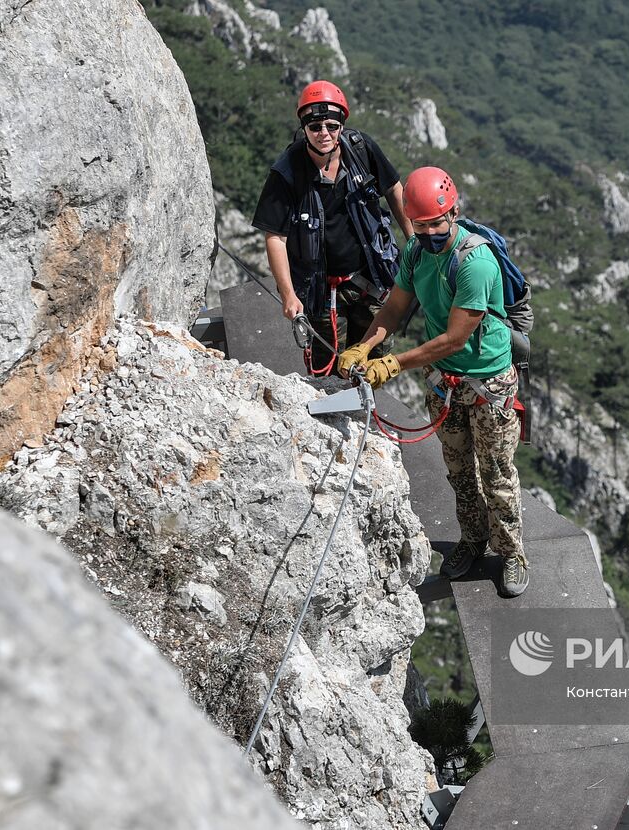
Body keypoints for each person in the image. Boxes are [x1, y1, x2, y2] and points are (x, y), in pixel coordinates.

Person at [336, 167, 528, 598]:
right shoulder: (417, 252)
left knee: (495, 472)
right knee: (459, 470)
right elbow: (394, 308)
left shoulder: (475, 261)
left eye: (435, 224)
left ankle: (512, 552)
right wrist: (365, 347)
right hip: (445, 380)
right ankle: (473, 540)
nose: (428, 233)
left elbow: (455, 336)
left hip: (486, 381)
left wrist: (393, 364)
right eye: (419, 226)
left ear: (453, 213)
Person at [251, 80, 414, 374]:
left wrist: (414, 242)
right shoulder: (287, 171)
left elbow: (393, 188)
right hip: (320, 291)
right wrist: (288, 294)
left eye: (331, 125)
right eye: (315, 127)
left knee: (371, 364)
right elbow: (275, 236)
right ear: (304, 128)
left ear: (341, 125)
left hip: (370, 280)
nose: (324, 133)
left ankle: (359, 417)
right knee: (327, 369)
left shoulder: (361, 150)